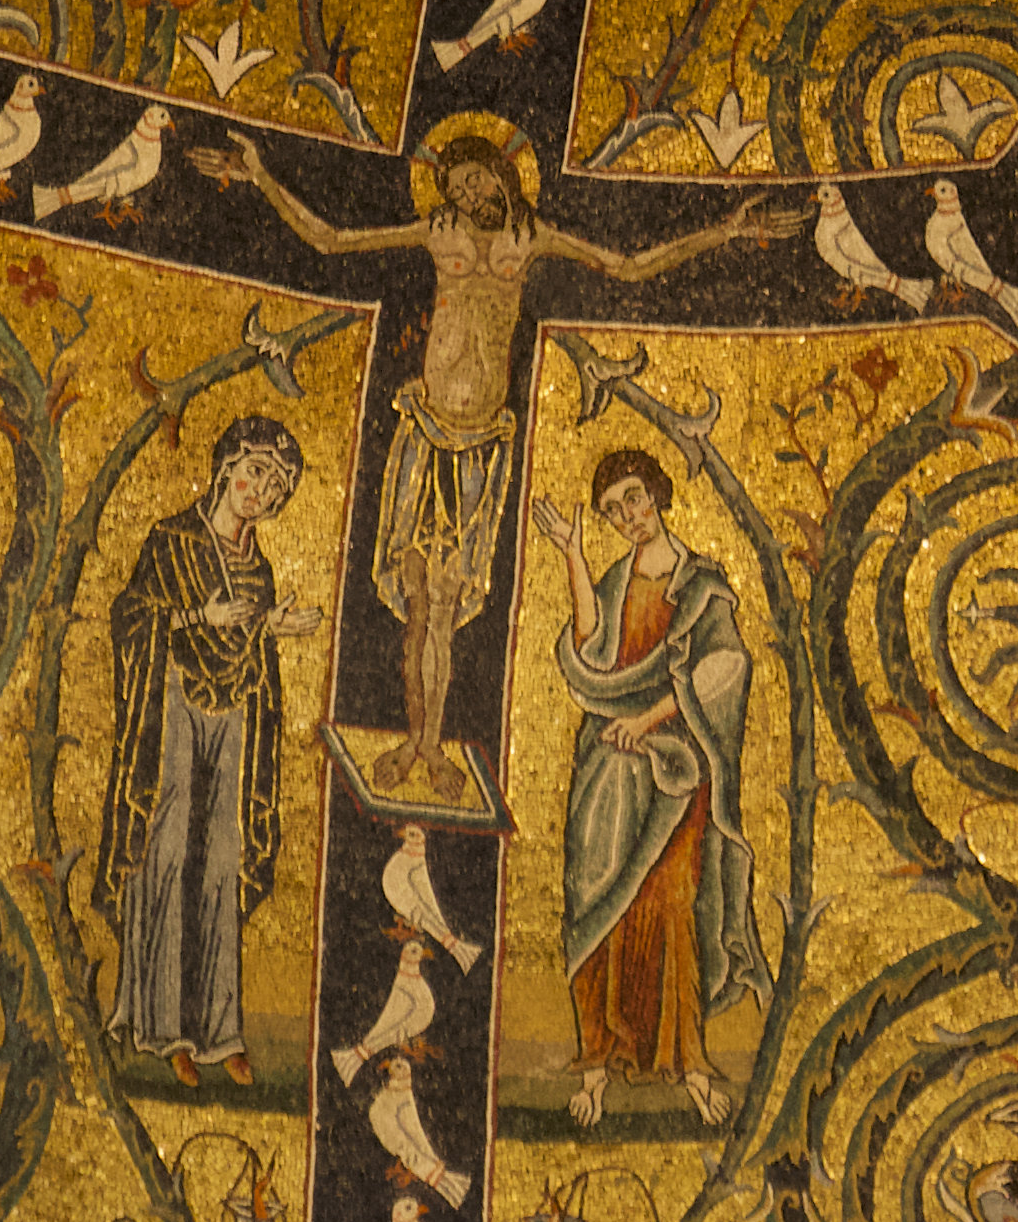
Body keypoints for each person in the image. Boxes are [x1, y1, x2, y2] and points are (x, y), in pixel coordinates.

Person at [200, 119, 792, 807]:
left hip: (482, 445)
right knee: (419, 603)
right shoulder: (438, 233)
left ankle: (428, 746)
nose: (467, 192)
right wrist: (260, 174)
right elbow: (333, 240)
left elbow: (628, 266)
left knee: (445, 605)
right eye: (455, 184)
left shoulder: (529, 239)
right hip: (424, 433)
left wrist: (729, 229)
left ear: (503, 177)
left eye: (477, 179)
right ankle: (418, 745)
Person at [533, 445, 766, 1122]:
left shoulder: (701, 586)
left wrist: (652, 716)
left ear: (657, 494)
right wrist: (573, 555)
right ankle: (596, 1064)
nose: (629, 516)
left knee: (670, 905)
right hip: (608, 768)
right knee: (599, 901)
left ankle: (689, 1063)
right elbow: (592, 648)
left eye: (634, 498)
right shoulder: (614, 575)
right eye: (613, 511)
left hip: (673, 769)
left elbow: (726, 666)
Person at [98, 415, 321, 1076]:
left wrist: (269, 627)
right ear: (226, 469)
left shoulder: (261, 570)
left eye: (274, 487)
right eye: (253, 473)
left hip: (234, 721)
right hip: (170, 707)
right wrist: (198, 617)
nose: (259, 492)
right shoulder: (169, 542)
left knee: (220, 859)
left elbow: (248, 654)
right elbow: (130, 617)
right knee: (167, 851)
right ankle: (162, 1028)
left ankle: (220, 1033)